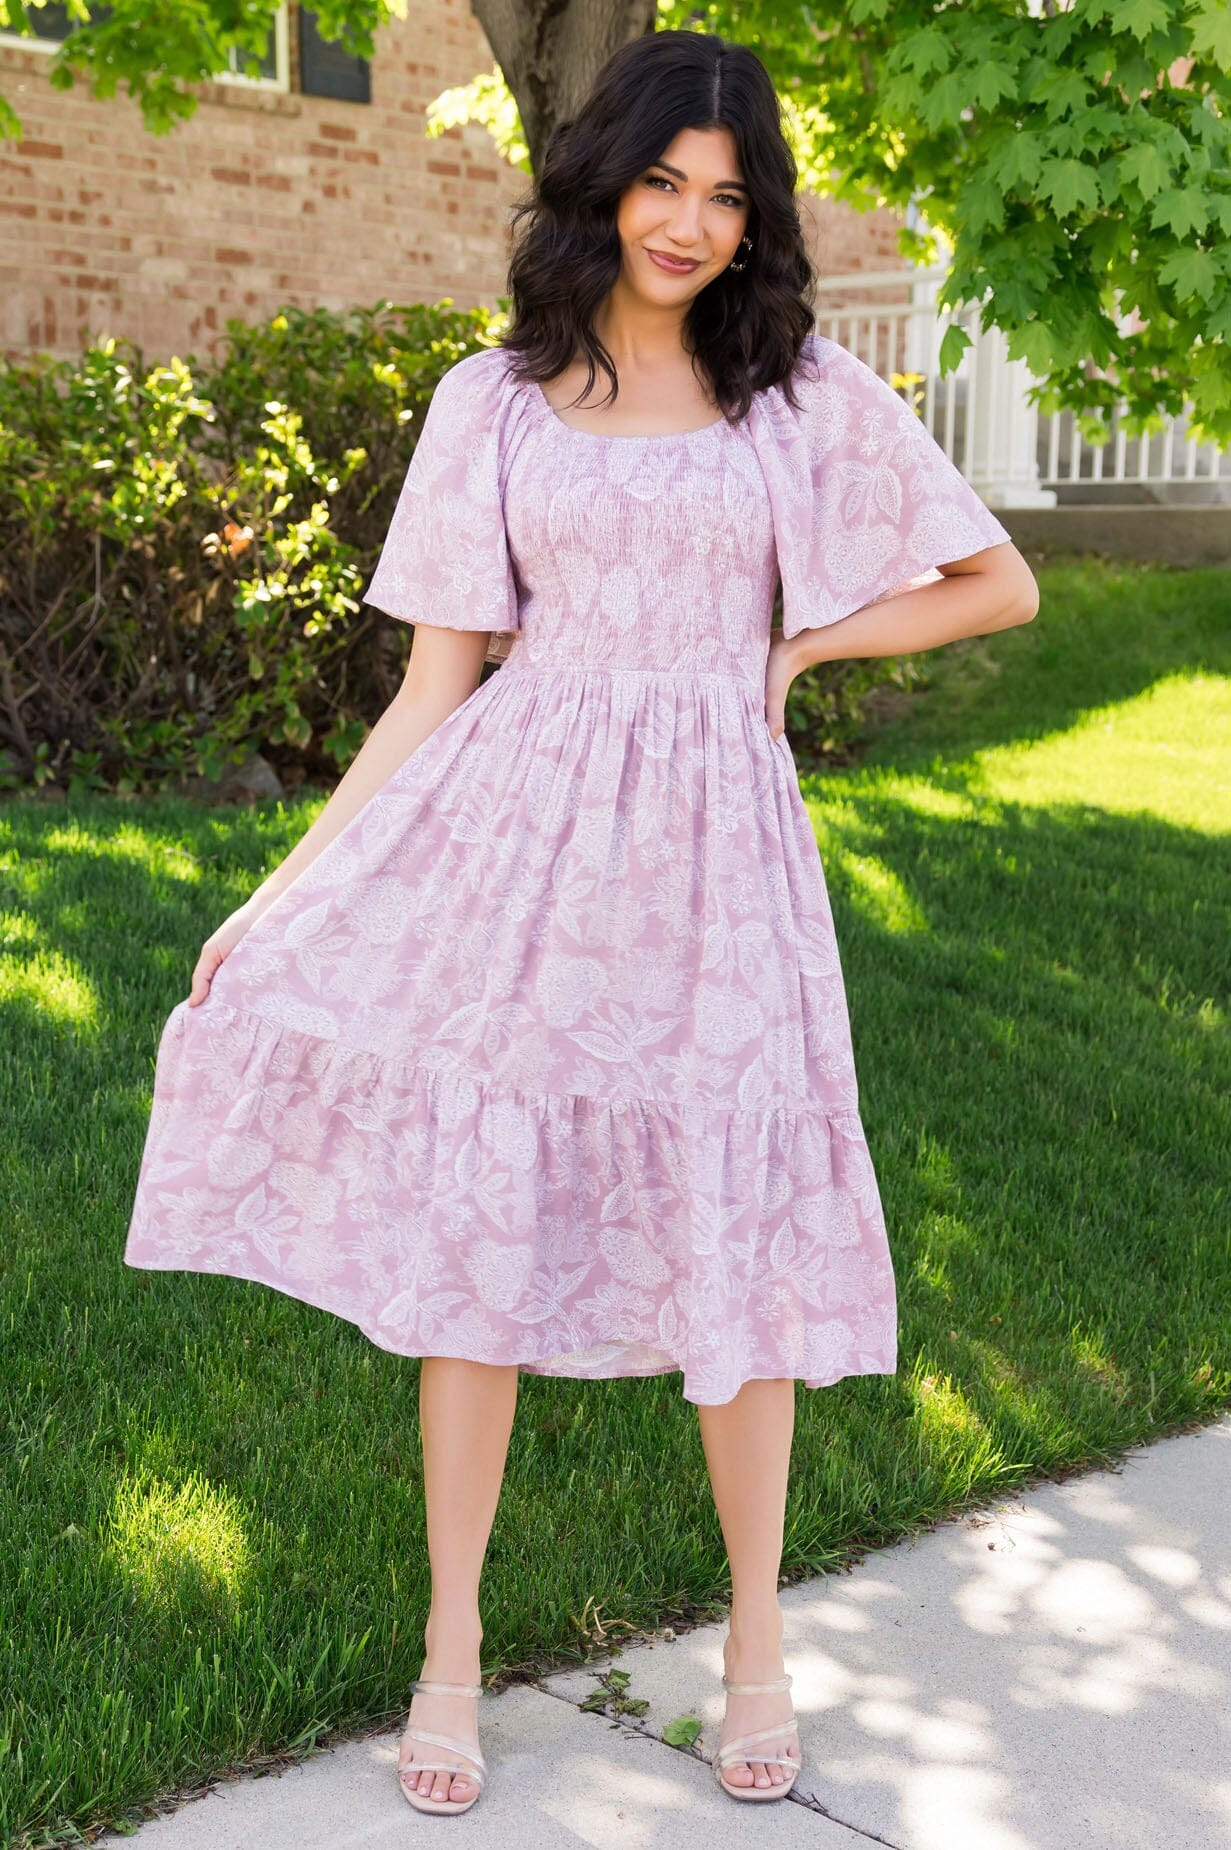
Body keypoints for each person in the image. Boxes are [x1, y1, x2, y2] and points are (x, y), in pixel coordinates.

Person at [124, 27, 1038, 1819]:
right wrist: (282, 890)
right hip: (519, 852)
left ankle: (758, 1641)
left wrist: (803, 645)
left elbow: (994, 582)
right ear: (603, 184)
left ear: (756, 219)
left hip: (718, 866)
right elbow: (434, 684)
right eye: (662, 183)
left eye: (727, 197)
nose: (689, 223)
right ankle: (451, 1647)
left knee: (732, 1234)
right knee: (480, 1233)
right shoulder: (492, 401)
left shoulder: (794, 393)